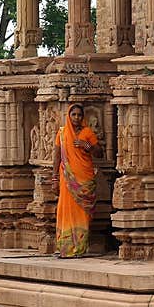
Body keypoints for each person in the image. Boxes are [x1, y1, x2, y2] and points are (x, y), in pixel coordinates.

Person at [51, 104, 102, 258]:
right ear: (69, 115)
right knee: (65, 209)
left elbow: (99, 153)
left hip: (84, 178)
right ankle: (66, 247)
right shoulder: (62, 133)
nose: (76, 118)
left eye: (79, 115)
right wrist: (54, 178)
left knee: (82, 213)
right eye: (74, 115)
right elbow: (57, 156)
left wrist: (87, 146)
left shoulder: (87, 132)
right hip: (67, 179)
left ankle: (79, 247)